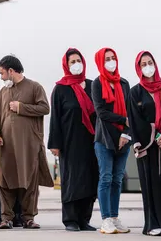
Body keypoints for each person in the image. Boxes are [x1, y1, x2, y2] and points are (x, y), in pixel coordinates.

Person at [0, 55, 53, 229]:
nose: (1, 77)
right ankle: (7, 218)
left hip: (28, 145)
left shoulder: (34, 87)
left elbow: (45, 108)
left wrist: (21, 107)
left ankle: (28, 217)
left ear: (11, 71)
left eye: (2, 73)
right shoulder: (3, 92)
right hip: (6, 146)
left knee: (29, 181)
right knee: (5, 181)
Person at [48, 48, 98, 232]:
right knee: (72, 179)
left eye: (79, 60)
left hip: (92, 141)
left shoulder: (93, 85)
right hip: (69, 141)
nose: (76, 64)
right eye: (72, 62)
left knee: (90, 178)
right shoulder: (61, 88)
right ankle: (70, 219)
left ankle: (84, 219)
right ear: (66, 65)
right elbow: (55, 118)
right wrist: (55, 144)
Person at [127, 51, 161, 236]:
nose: (148, 67)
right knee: (150, 183)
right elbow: (135, 120)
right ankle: (153, 224)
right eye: (143, 64)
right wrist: (156, 137)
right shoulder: (135, 92)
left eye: (150, 62)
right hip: (147, 145)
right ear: (138, 68)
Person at [91, 47, 132, 234]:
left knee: (117, 180)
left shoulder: (124, 83)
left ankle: (115, 217)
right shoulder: (97, 83)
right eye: (107, 58)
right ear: (100, 61)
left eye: (113, 58)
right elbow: (101, 112)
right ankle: (105, 219)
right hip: (104, 138)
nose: (110, 61)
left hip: (123, 138)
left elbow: (131, 113)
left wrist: (126, 133)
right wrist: (123, 120)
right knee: (106, 178)